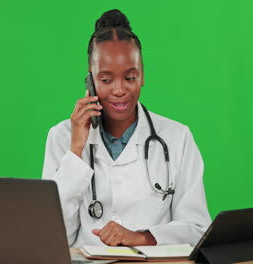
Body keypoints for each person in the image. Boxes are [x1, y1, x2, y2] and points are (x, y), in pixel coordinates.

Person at [42, 9, 211, 248]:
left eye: (130, 77)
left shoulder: (177, 137)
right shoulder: (62, 137)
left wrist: (140, 237)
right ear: (90, 79)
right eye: (106, 79)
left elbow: (198, 229)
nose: (119, 90)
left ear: (142, 75)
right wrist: (76, 151)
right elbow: (52, 238)